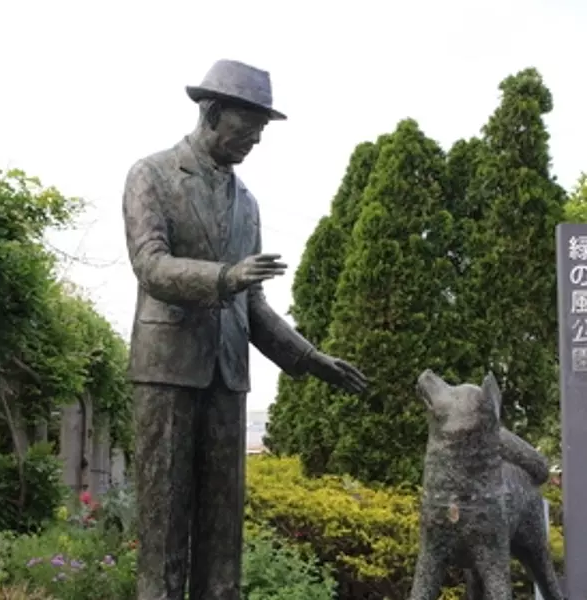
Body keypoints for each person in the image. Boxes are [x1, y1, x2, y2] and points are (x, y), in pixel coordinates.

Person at [122, 59, 368, 600]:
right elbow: (151, 266)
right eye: (247, 129)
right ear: (211, 113)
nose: (254, 141)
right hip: (166, 372)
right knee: (164, 526)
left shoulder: (248, 203)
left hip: (228, 376)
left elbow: (251, 304)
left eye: (260, 133)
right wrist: (225, 276)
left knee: (222, 528)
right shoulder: (152, 175)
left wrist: (309, 358)